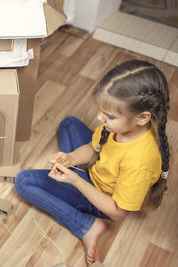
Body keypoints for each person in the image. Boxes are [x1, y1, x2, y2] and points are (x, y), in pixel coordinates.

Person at [14, 60, 170, 265]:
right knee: (69, 123)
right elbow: (92, 147)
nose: (99, 118)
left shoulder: (140, 160)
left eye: (109, 116)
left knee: (23, 182)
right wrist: (70, 159)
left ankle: (87, 226)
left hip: (101, 199)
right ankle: (77, 174)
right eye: (101, 112)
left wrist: (76, 182)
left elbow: (117, 212)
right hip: (99, 168)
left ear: (142, 117)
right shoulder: (128, 126)